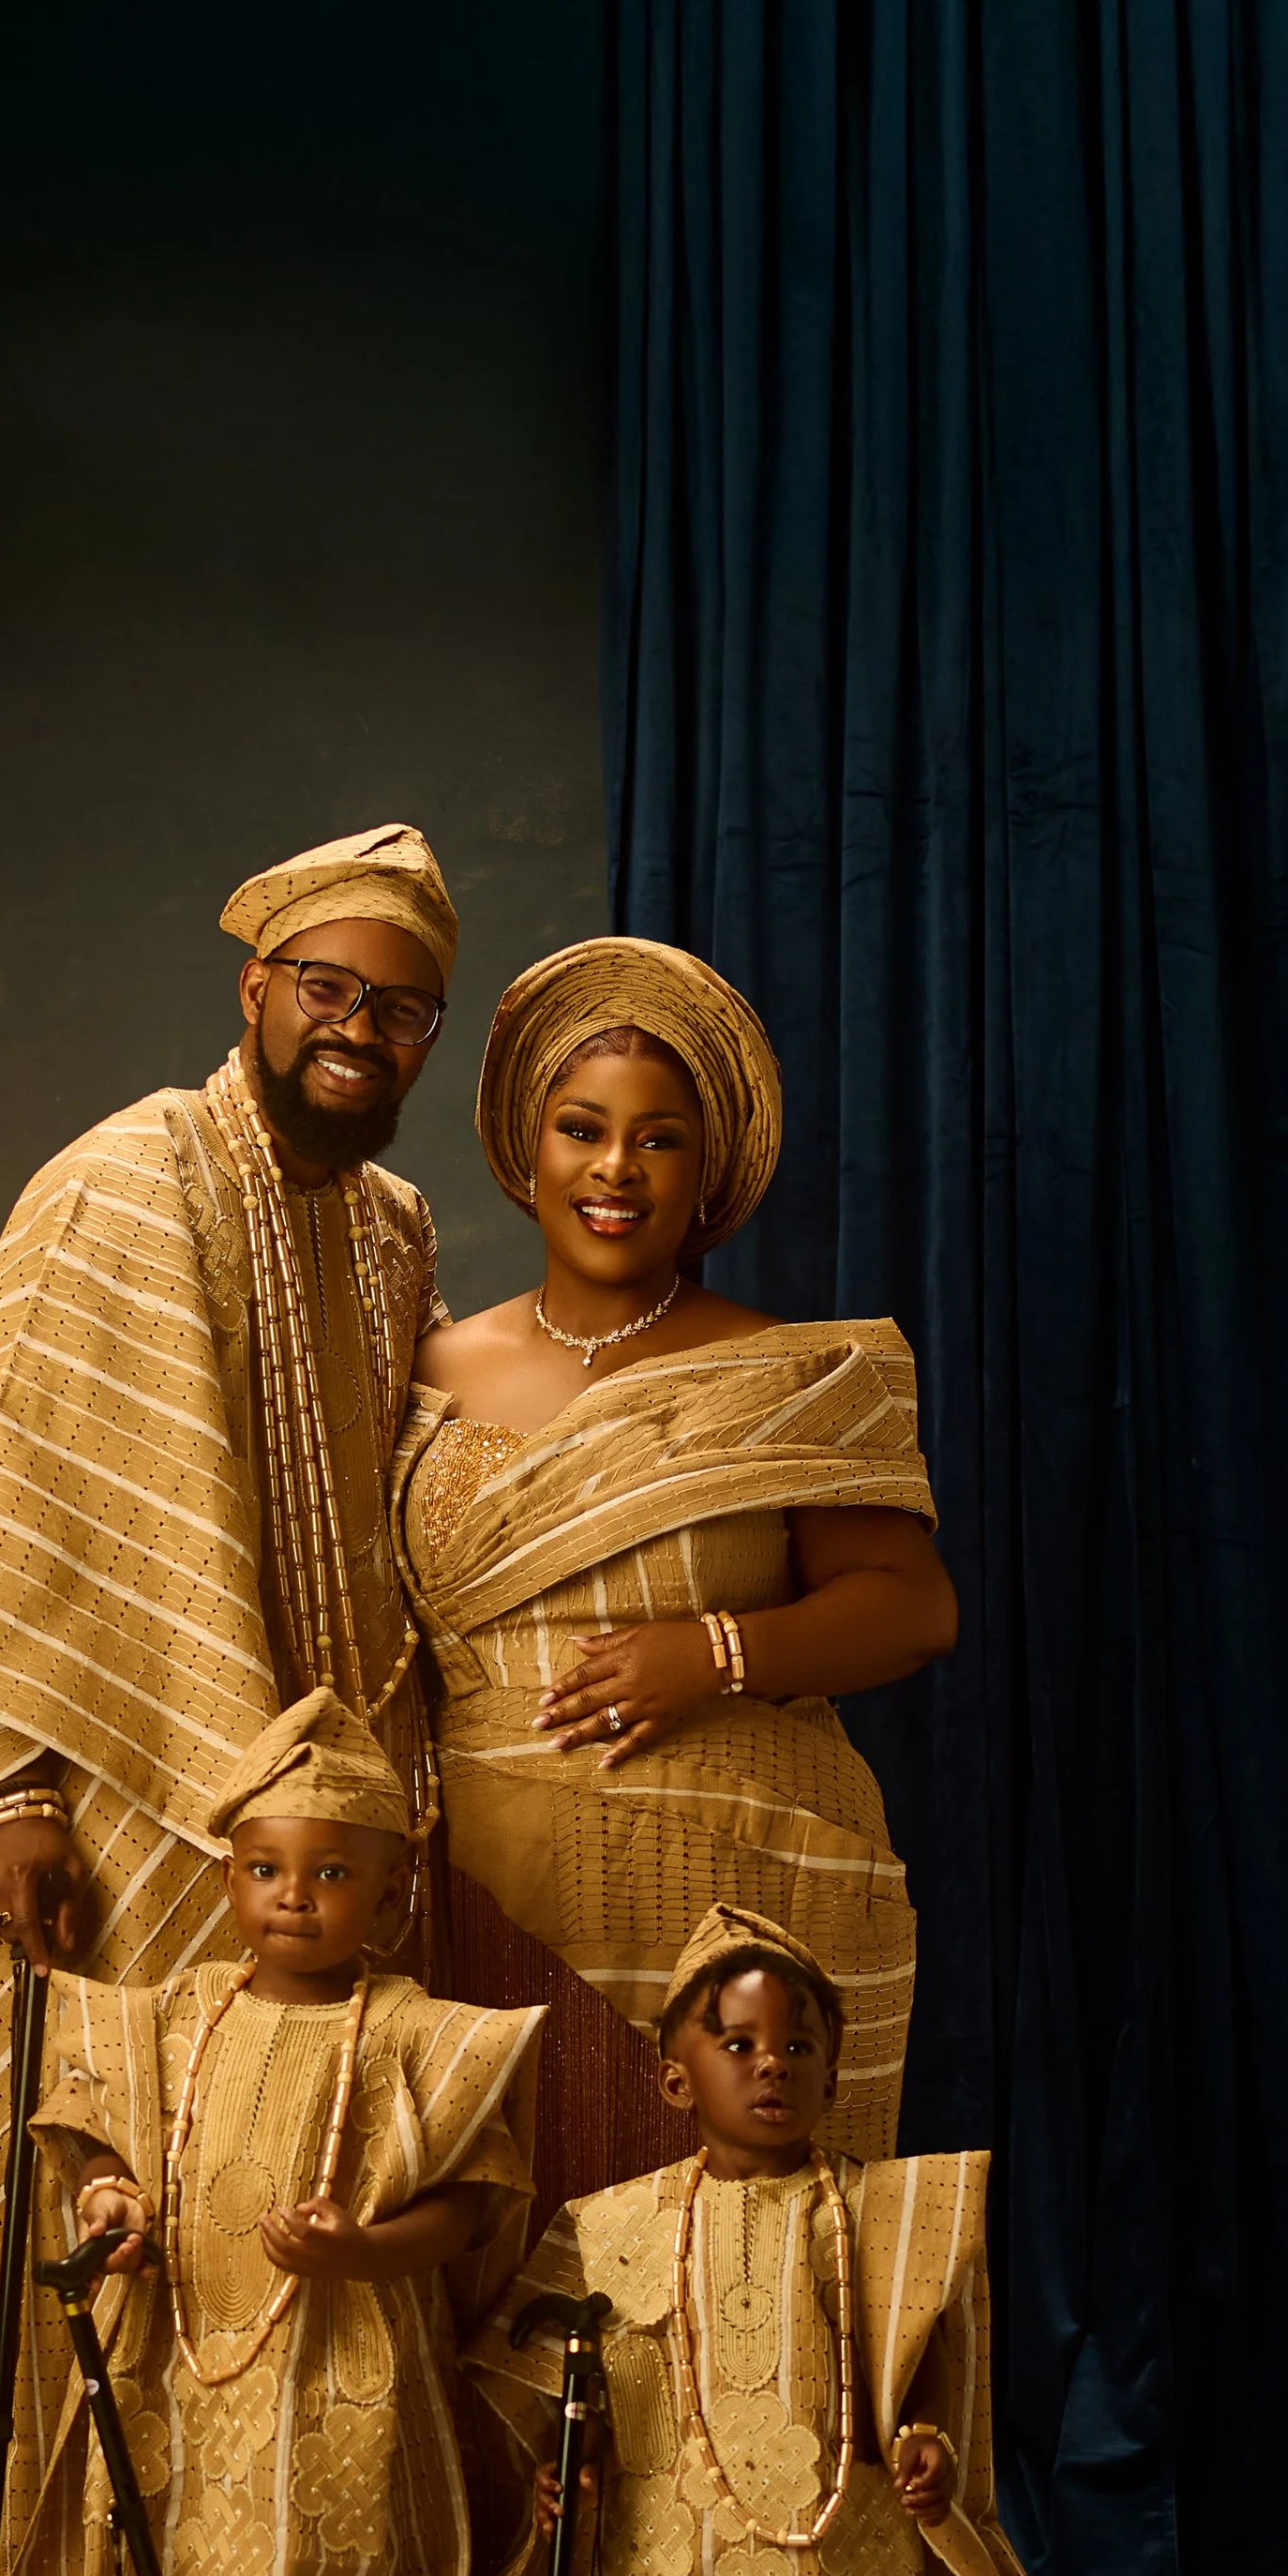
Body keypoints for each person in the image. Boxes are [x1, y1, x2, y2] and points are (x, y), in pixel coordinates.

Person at [0, 826, 458, 2576]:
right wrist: (0, 1796)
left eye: (396, 1009)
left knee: (290, 2248)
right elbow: (2, 1504)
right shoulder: (123, 1182)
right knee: (117, 2240)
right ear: (252, 991)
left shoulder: (390, 1237)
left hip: (328, 1839)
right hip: (121, 1820)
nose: (357, 1030)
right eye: (325, 990)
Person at [397, 936, 958, 2190]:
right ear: (526, 1150)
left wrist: (711, 1651)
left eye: (658, 1139)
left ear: (705, 1174)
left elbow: (914, 1608)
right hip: (480, 1895)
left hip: (719, 1905)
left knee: (724, 2279)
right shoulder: (425, 1376)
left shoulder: (786, 1375)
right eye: (582, 1128)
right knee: (500, 2266)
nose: (614, 1169)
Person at [0, 1688, 544, 2576]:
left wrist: (362, 2250)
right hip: (176, 2362)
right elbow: (102, 2137)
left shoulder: (409, 2031)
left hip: (332, 2377)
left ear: (390, 1897)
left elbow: (473, 2201)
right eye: (263, 1868)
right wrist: (110, 2202)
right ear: (231, 1881)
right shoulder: (183, 2013)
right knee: (154, 2573)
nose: (292, 1896)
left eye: (332, 1873)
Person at [455, 1903, 1082, 2576]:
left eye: (798, 2046)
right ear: (676, 2079)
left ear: (834, 2075)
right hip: (669, 2531)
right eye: (737, 2044)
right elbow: (542, 2381)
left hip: (834, 2526)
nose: (771, 2066)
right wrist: (563, 2467)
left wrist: (925, 2446)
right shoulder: (608, 2223)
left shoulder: (884, 2215)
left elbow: (926, 2385)